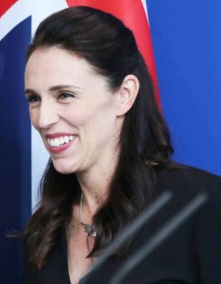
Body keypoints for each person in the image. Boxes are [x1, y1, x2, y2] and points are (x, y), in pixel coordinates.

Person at [22, 6, 221, 284]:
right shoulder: (43, 228)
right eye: (34, 99)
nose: (43, 119)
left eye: (65, 95)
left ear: (124, 95)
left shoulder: (202, 204)